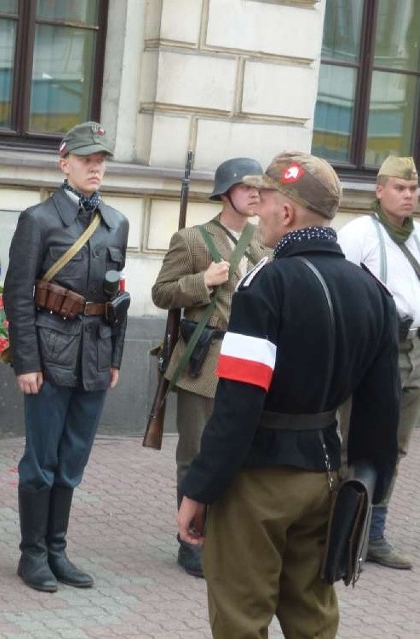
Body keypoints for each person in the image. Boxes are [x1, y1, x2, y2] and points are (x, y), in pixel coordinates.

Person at [176, 151, 400, 638]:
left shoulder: (265, 284)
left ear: (288, 212)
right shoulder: (372, 292)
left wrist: (200, 487)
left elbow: (237, 402)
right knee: (312, 618)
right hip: (326, 475)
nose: (256, 210)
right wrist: (367, 489)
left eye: (266, 199)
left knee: (241, 617)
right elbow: (383, 411)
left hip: (258, 477)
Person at [4, 121, 130, 593]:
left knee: (73, 458)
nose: (95, 167)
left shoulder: (117, 222)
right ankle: (32, 554)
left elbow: (117, 297)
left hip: (94, 357)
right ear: (64, 163)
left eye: (100, 160)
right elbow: (17, 296)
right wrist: (26, 362)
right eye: (85, 159)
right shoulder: (38, 220)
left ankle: (57, 550)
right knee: (41, 460)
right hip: (50, 353)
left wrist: (114, 356)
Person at [151, 157, 268, 577]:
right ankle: (192, 539)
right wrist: (204, 281)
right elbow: (161, 293)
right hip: (204, 361)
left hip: (250, 360)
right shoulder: (193, 239)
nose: (256, 194)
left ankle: (228, 537)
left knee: (243, 454)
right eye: (248, 187)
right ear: (225, 193)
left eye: (260, 188)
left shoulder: (265, 242)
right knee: (196, 454)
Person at [336, 156, 420, 570]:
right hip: (372, 353)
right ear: (379, 191)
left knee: (394, 449)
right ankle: (344, 533)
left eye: (413, 189)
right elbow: (341, 292)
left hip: (413, 350)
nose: (408, 195)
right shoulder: (359, 233)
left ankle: (374, 534)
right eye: (400, 188)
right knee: (357, 444)